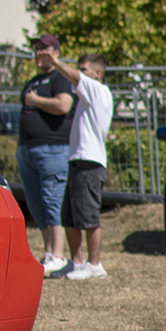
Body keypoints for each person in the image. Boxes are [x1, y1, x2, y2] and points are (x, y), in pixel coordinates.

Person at [43, 48, 113, 280]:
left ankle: (94, 265)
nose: (79, 74)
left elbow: (73, 76)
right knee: (70, 216)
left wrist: (55, 62)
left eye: (84, 69)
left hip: (90, 162)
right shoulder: (87, 95)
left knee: (88, 216)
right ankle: (76, 263)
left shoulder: (98, 90)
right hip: (77, 160)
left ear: (98, 73)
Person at [17, 34, 75, 275]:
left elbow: (63, 105)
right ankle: (49, 251)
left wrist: (34, 100)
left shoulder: (60, 78)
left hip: (52, 149)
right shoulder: (32, 81)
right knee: (35, 202)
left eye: (44, 49)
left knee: (52, 199)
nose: (39, 53)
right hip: (27, 150)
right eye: (36, 49)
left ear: (56, 52)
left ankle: (59, 254)